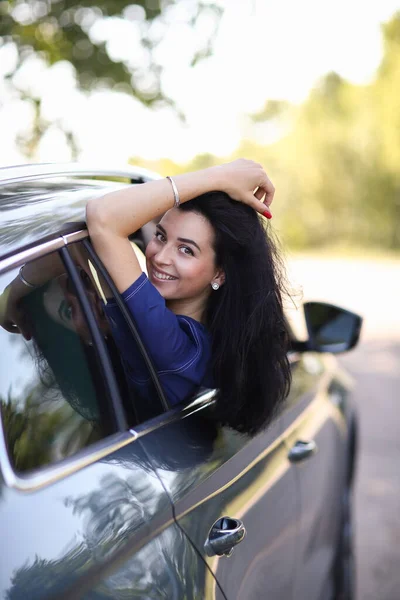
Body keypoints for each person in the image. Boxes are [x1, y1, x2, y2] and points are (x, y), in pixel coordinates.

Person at [85, 159, 291, 435]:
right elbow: (96, 230)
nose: (160, 256)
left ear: (220, 274)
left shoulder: (174, 345)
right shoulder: (205, 343)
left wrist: (219, 177)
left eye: (186, 250)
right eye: (160, 236)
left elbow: (102, 216)